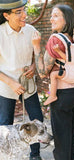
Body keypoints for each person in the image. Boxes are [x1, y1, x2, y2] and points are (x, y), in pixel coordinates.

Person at [32, 4, 74, 160]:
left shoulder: (56, 39)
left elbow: (43, 73)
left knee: (62, 142)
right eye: (51, 15)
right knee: (71, 137)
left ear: (66, 20)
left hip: (63, 94)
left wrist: (36, 47)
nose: (51, 18)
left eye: (56, 15)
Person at [0, 1, 43, 160]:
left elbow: (36, 54)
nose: (24, 15)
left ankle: (35, 155)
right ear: (6, 15)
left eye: (24, 10)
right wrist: (11, 83)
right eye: (18, 12)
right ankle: (4, 155)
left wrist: (33, 66)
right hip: (5, 86)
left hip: (28, 85)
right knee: (5, 125)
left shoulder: (31, 30)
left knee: (37, 119)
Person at [43, 23, 74, 105]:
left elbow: (68, 59)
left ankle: (53, 95)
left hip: (73, 76)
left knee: (53, 75)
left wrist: (58, 51)